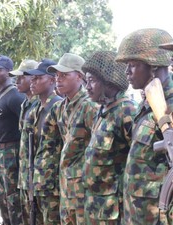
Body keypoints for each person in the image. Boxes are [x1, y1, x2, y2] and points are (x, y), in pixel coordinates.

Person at [115, 28, 173, 224]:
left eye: (132, 65)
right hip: (137, 211)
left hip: (157, 213)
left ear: (154, 66)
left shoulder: (170, 105)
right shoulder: (150, 102)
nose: (127, 72)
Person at [81, 51, 138, 224]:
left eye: (92, 81)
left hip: (114, 209)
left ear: (109, 82)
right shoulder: (102, 110)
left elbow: (136, 161)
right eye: (86, 81)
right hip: (95, 205)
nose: (87, 87)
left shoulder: (127, 111)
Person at [44, 53, 98, 224]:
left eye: (64, 75)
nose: (58, 80)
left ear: (80, 77)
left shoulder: (90, 106)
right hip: (66, 187)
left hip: (84, 189)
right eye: (57, 75)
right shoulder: (61, 107)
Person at [0, 55, 25, 225]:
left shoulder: (15, 96)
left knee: (13, 200)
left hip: (12, 154)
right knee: (3, 200)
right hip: (0, 154)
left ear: (8, 72)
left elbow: (26, 127)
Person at [25, 59, 63, 224]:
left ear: (52, 79)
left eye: (38, 78)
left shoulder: (58, 106)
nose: (33, 82)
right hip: (38, 181)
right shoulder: (36, 108)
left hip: (52, 184)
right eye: (32, 79)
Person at [9, 59, 39, 225]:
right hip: (24, 174)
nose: (17, 80)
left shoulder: (40, 105)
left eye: (23, 77)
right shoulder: (25, 104)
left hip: (37, 176)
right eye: (17, 77)